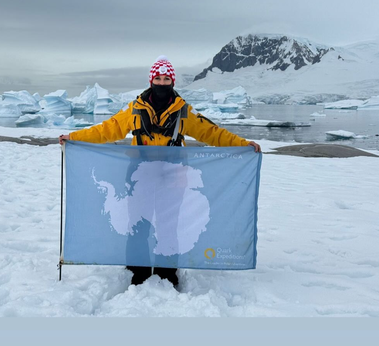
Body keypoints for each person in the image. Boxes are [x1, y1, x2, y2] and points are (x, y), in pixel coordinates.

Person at [59, 58, 261, 289]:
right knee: (138, 225)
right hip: (138, 176)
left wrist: (242, 143)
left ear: (172, 81)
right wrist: (74, 138)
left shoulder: (184, 111)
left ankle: (168, 271)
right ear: (151, 80)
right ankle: (138, 268)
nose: (162, 83)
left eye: (166, 79)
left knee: (168, 225)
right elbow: (107, 129)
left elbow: (212, 133)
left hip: (172, 177)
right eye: (158, 78)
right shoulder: (134, 109)